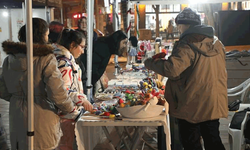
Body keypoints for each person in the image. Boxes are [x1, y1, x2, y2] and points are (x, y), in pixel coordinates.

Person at [144, 7, 228, 150]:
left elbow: (171, 69)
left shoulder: (187, 44)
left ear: (184, 25)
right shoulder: (217, 43)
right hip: (214, 99)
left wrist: (151, 63)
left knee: (191, 142)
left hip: (193, 101)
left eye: (179, 25)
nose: (178, 29)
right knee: (212, 138)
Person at [0, 18, 79, 150]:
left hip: (17, 115)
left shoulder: (9, 59)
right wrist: (69, 108)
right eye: (47, 35)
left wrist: (18, 98)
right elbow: (56, 91)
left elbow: (2, 89)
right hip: (42, 114)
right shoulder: (46, 58)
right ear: (41, 36)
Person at [54, 28, 93, 150]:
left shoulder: (63, 59)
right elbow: (63, 90)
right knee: (66, 145)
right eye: (82, 47)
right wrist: (82, 100)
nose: (82, 51)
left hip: (67, 112)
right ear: (72, 45)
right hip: (66, 113)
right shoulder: (64, 63)